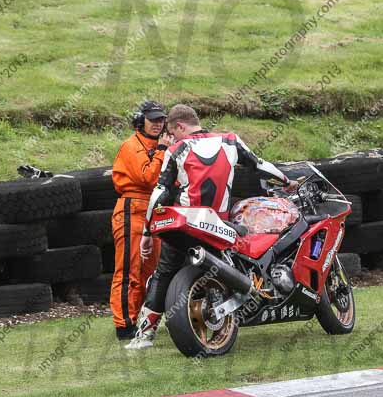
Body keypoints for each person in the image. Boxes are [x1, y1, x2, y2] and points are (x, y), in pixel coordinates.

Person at [125, 104, 296, 350]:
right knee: (228, 264)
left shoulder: (176, 149)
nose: (171, 138)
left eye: (172, 133)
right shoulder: (230, 141)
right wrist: (287, 181)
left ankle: (144, 335)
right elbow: (259, 165)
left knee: (163, 273)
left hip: (186, 223)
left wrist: (146, 234)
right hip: (219, 227)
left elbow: (159, 193)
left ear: (180, 126)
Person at [110, 101, 173, 340]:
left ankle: (145, 320)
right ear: (141, 120)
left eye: (161, 120)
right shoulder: (131, 145)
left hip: (154, 210)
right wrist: (162, 152)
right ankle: (124, 324)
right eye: (153, 119)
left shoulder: (161, 145)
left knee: (152, 270)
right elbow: (147, 177)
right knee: (129, 270)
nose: (158, 124)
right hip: (132, 209)